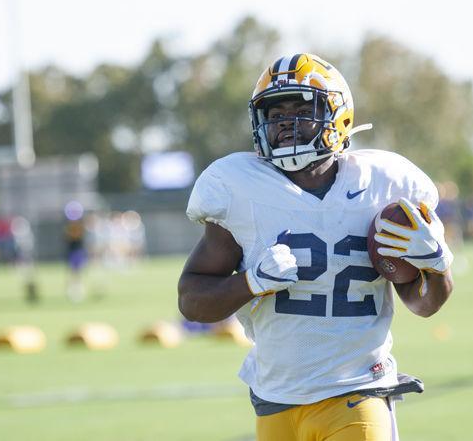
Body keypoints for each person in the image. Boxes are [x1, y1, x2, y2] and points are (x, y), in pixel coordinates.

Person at [178, 53, 454, 441]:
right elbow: (191, 301)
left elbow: (425, 304)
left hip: (358, 393)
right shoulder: (240, 189)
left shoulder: (384, 186)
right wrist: (251, 282)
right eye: (275, 114)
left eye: (301, 109)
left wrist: (437, 264)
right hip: (276, 399)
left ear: (337, 115)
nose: (285, 123)